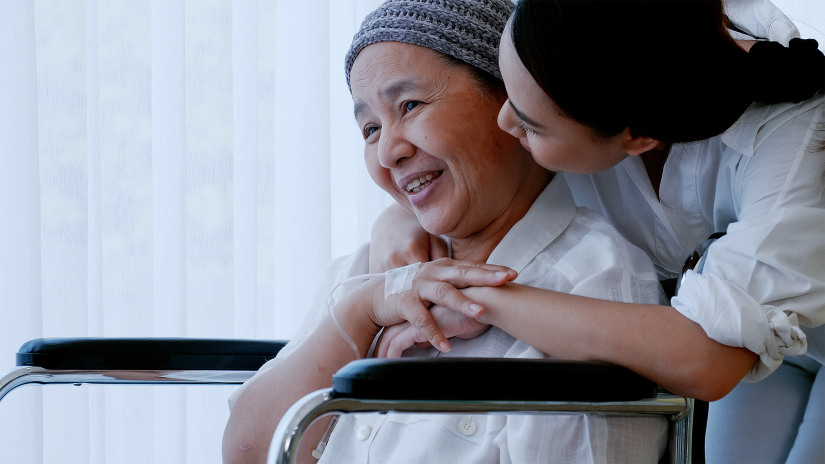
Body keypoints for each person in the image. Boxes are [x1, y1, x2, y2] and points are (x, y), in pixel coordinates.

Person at [369, 0, 825, 462]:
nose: (505, 123)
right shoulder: (586, 48)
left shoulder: (794, 142)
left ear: (638, 136)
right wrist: (401, 215)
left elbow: (707, 358)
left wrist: (477, 299)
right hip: (756, 343)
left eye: (529, 124)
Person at [221, 1, 674, 463]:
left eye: (410, 105)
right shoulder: (364, 270)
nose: (388, 153)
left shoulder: (597, 282)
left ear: (511, 102)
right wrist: (359, 312)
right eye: (370, 128)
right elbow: (248, 452)